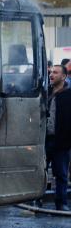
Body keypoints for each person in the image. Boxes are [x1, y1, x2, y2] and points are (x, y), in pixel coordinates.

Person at [46, 64, 71, 211]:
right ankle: (36, 200)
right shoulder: (45, 92)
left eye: (55, 72)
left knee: (61, 174)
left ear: (63, 76)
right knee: (41, 171)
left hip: (61, 141)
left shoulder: (68, 95)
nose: (51, 75)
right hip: (44, 140)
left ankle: (61, 203)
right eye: (51, 72)